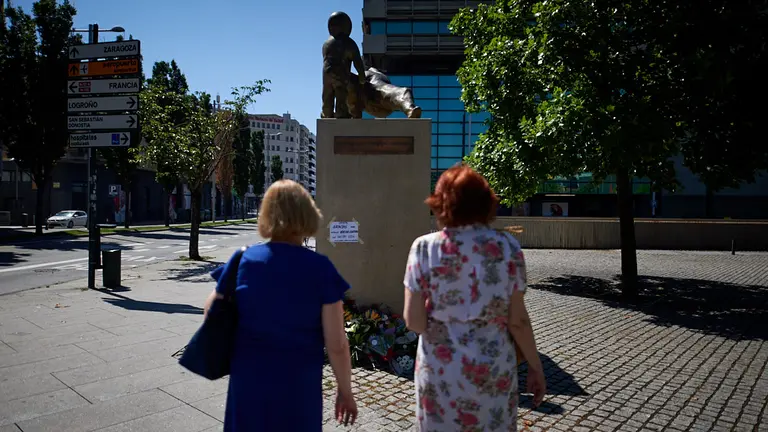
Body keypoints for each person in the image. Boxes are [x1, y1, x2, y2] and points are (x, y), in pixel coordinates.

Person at [204, 180, 357, 431]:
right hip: (298, 386)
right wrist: (345, 391)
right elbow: (337, 344)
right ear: (307, 214)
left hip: (248, 381)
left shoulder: (243, 259)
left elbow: (211, 312)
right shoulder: (320, 269)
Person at [402, 164, 546, 431]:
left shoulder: (423, 248)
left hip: (440, 374)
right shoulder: (507, 247)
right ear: (486, 204)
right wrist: (536, 367)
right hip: (492, 373)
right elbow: (518, 322)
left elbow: (413, 322)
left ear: (440, 204)